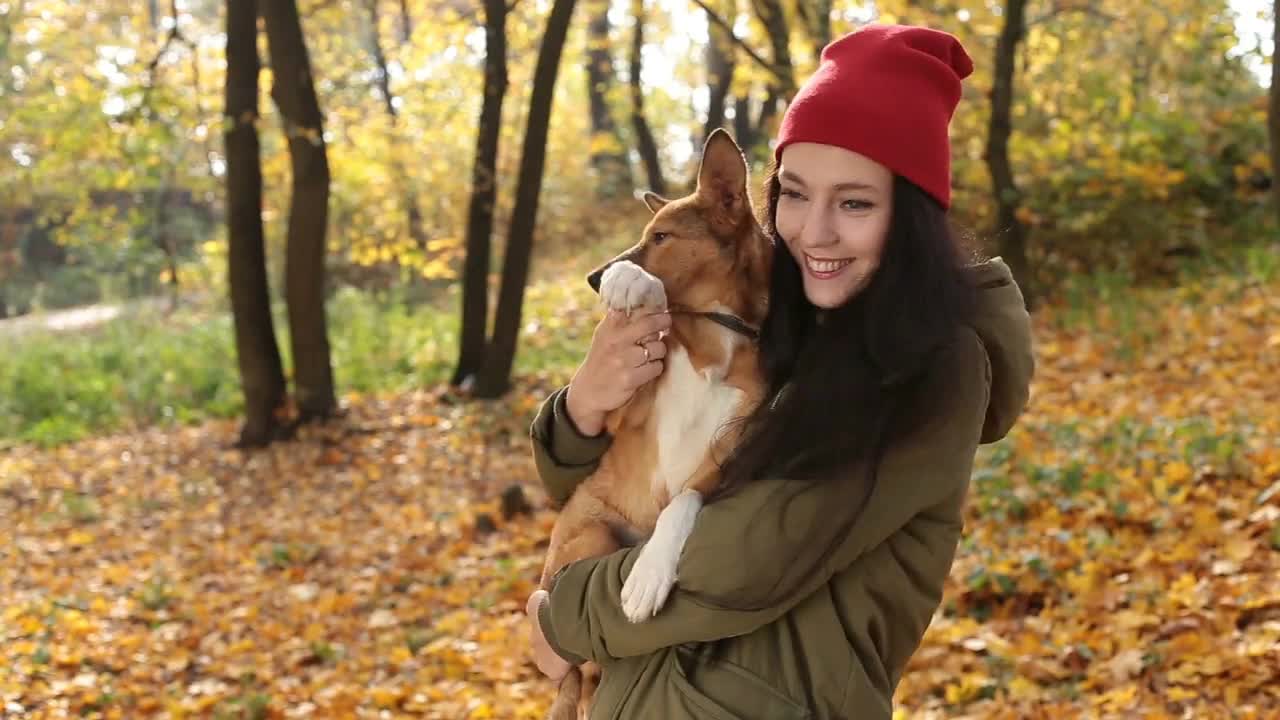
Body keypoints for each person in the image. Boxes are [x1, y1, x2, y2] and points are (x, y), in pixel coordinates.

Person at [525, 23, 1035, 719]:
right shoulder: (780, 328)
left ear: (909, 215)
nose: (814, 231)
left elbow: (738, 567)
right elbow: (629, 484)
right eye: (794, 194)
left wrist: (562, 619)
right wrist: (582, 410)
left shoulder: (929, 369)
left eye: (854, 202)